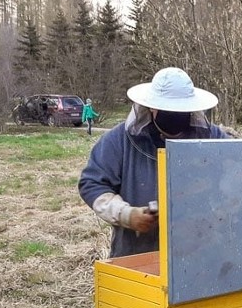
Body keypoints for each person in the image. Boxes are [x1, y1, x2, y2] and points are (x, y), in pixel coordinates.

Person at [78, 67, 227, 257]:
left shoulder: (213, 138)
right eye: (168, 110)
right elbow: (92, 184)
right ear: (151, 107)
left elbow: (238, 178)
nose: (176, 116)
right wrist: (127, 215)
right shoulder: (119, 141)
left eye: (181, 111)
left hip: (201, 252)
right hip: (138, 254)